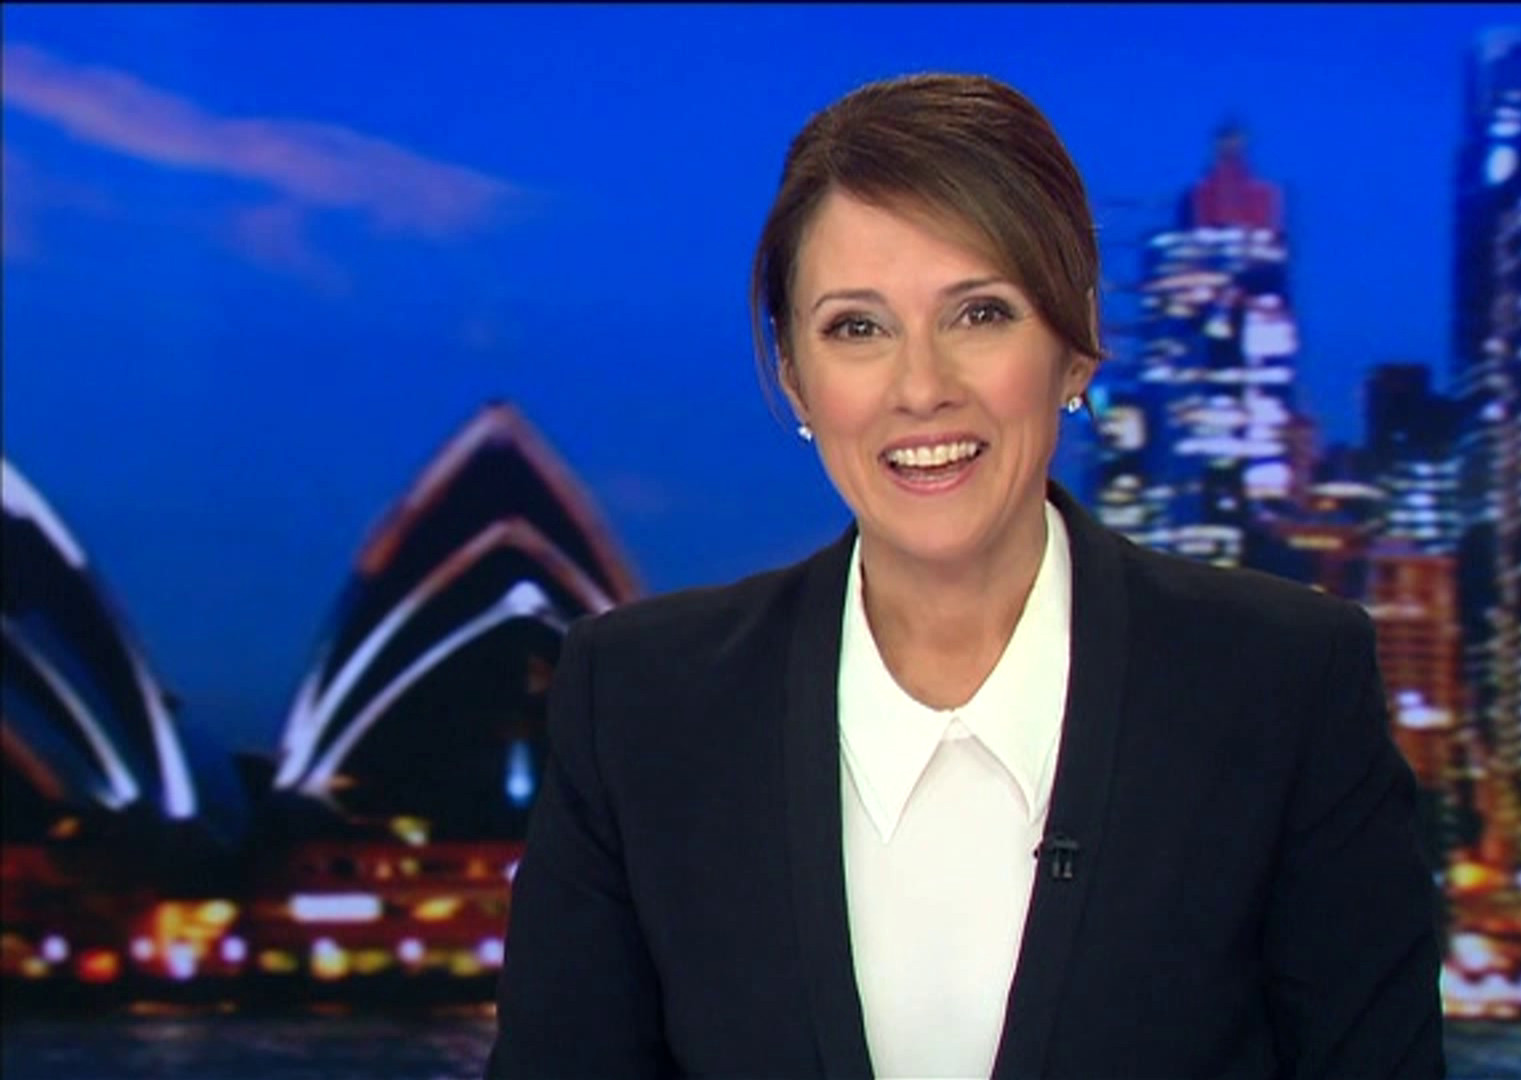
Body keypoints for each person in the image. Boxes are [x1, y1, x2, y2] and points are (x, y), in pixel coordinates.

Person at [488, 72, 1443, 1079]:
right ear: (795, 376)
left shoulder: (1283, 685)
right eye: (858, 328)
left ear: (1074, 345)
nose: (921, 389)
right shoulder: (641, 704)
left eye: (980, 313)